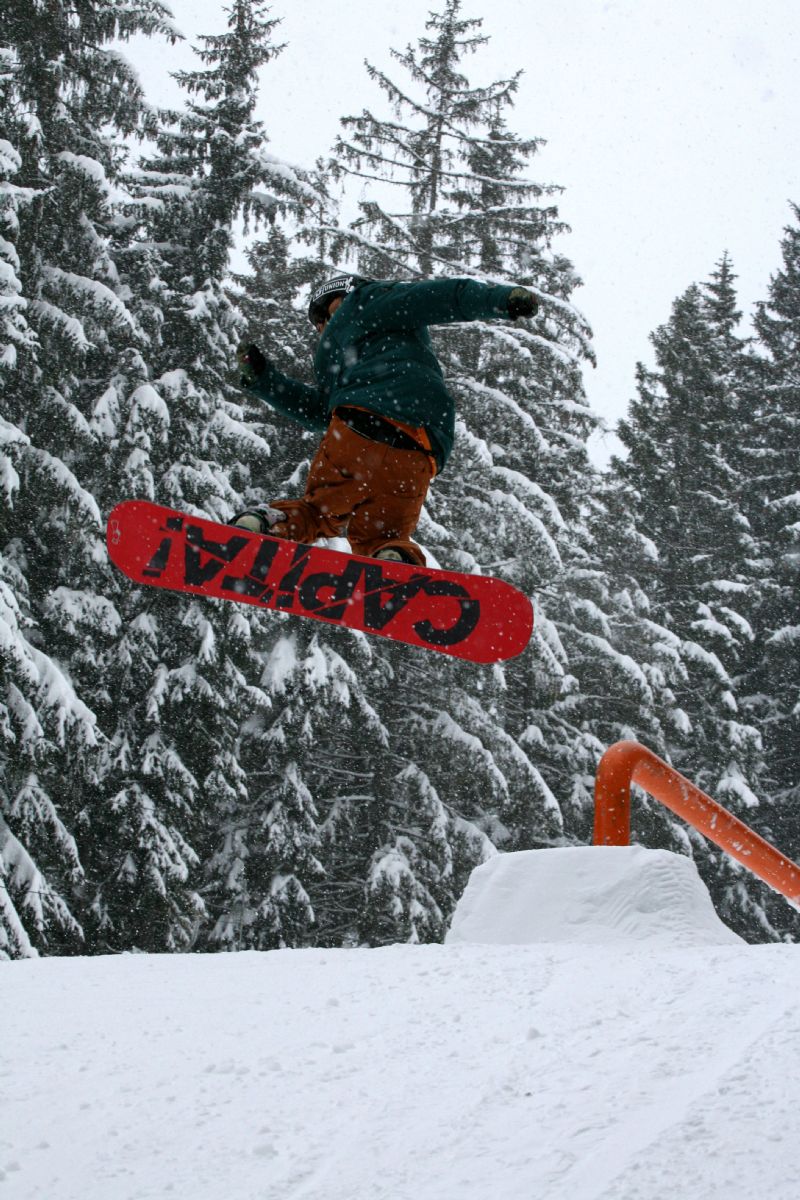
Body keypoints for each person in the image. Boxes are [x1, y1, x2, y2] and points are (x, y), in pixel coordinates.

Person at [233, 274, 538, 565]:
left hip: (355, 431)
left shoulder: (366, 301)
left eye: (323, 319)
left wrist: (500, 300)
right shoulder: (360, 333)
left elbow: (444, 297)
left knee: (316, 513)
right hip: (416, 448)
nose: (323, 329)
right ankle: (392, 561)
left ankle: (266, 523)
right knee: (385, 536)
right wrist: (265, 381)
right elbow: (442, 298)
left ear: (336, 301)